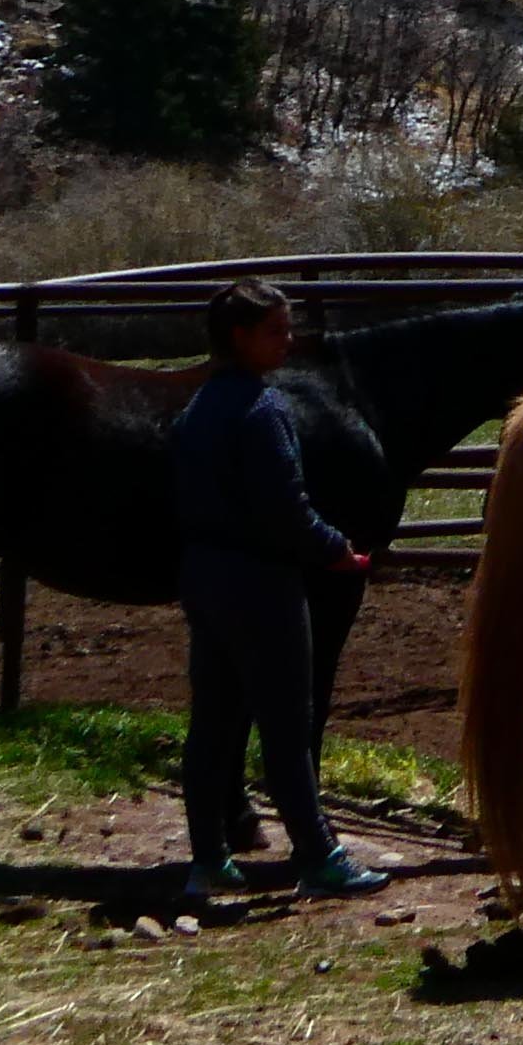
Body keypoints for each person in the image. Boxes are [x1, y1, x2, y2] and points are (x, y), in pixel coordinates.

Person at [171, 278, 386, 907]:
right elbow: (286, 509)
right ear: (240, 337)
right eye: (276, 331)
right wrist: (335, 550)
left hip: (204, 576)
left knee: (211, 722)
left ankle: (207, 858)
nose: (288, 343)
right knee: (287, 726)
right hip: (262, 582)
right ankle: (319, 856)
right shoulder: (263, 410)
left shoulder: (198, 406)